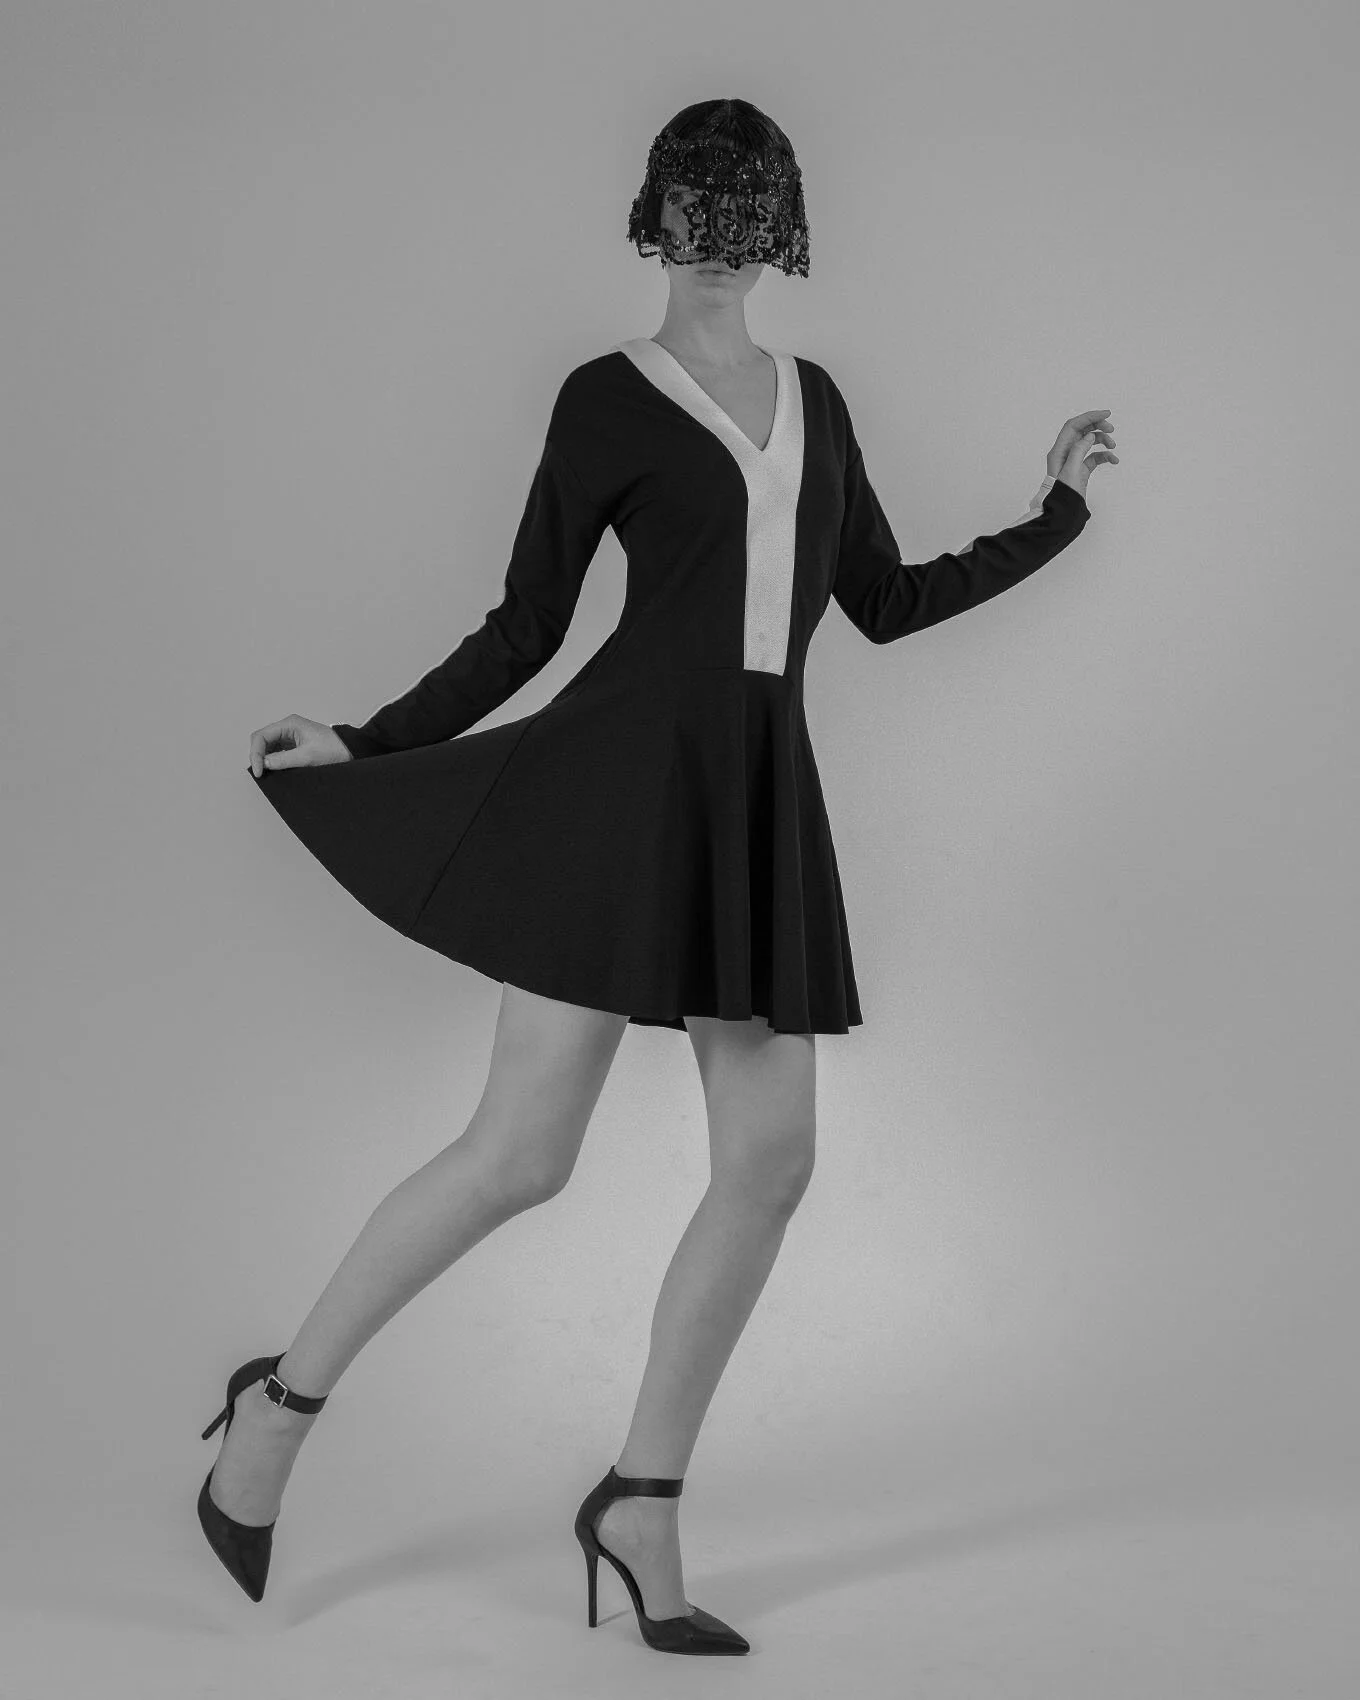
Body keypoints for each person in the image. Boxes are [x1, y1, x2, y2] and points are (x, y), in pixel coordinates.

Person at [200, 97, 1116, 1656]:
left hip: (754, 811)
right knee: (518, 1157)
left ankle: (642, 1499)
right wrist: (363, 741)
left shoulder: (820, 402)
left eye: (746, 207)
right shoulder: (604, 399)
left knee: (771, 1164)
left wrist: (1059, 518)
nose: (719, 234)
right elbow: (525, 626)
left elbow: (885, 601)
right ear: (658, 214)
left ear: (781, 227)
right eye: (696, 202)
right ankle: (276, 1411)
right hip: (615, 802)